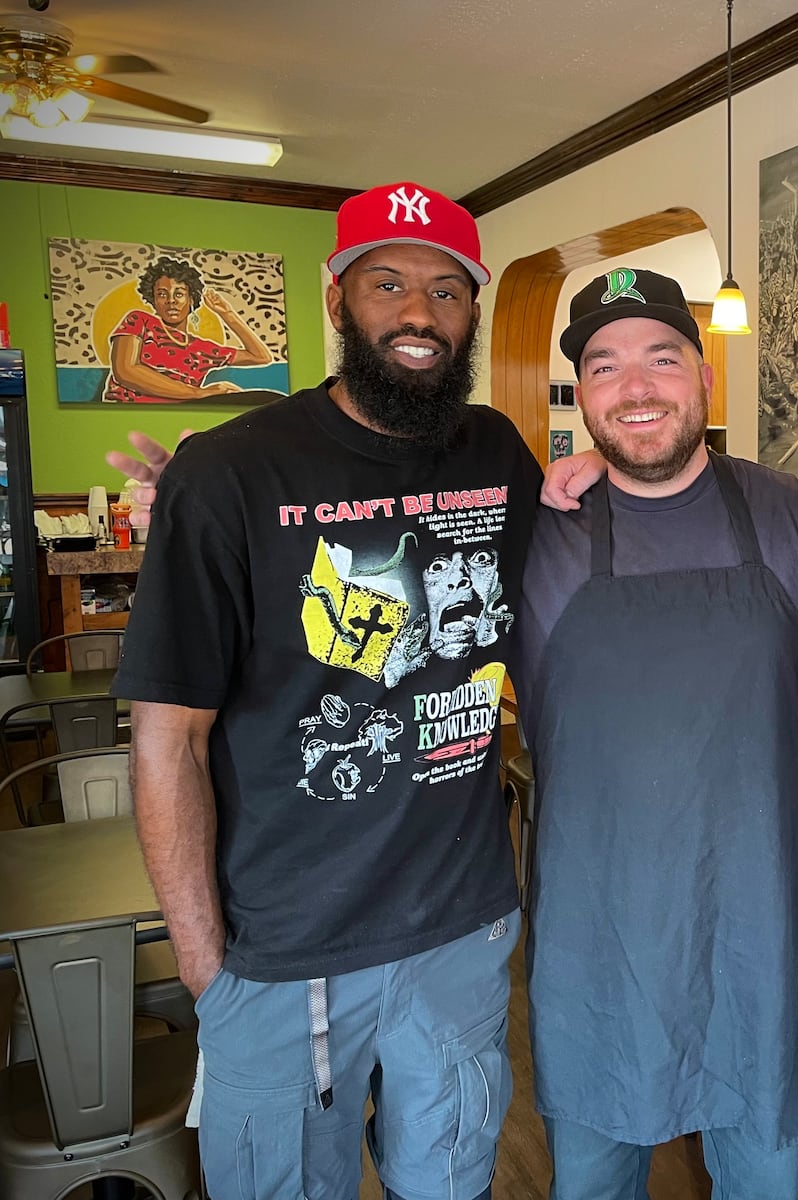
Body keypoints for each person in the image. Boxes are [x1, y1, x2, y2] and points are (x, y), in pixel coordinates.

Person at [111, 181, 536, 1200]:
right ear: (336, 296)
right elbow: (165, 739)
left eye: (445, 289)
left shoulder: (501, 456)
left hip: (460, 930)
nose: (418, 314)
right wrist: (208, 969)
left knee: (451, 1183)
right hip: (282, 947)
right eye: (385, 282)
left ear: (472, 310)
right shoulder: (231, 472)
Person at [521, 267, 798, 1199]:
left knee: (766, 1180)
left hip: (761, 920)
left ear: (705, 377)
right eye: (606, 366)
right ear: (582, 395)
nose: (638, 387)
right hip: (598, 926)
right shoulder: (536, 528)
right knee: (590, 1182)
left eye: (663, 357)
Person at [104, 254, 275, 403]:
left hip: (184, 417)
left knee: (263, 400)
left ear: (191, 299)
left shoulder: (202, 349)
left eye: (179, 294)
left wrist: (227, 314)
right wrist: (199, 393)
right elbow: (126, 371)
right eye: (162, 294)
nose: (171, 301)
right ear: (153, 300)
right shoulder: (140, 321)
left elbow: (261, 356)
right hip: (129, 412)